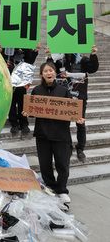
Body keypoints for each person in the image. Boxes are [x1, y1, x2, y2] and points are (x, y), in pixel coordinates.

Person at [24, 62, 85, 205]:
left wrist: (78, 118)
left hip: (61, 135)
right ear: (42, 74)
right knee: (45, 165)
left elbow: (71, 110)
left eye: (51, 70)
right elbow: (34, 111)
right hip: (43, 135)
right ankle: (51, 188)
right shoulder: (36, 91)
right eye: (45, 71)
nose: (48, 73)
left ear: (55, 72)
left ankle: (62, 190)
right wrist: (27, 113)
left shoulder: (64, 90)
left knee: (62, 164)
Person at [46, 45, 99, 162]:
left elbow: (93, 68)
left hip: (80, 97)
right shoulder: (59, 60)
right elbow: (50, 69)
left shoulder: (83, 60)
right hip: (63, 97)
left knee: (80, 123)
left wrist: (93, 54)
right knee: (63, 123)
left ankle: (80, 148)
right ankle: (67, 146)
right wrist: (50, 56)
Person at [8, 46, 40, 136]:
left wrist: (35, 51)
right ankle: (14, 124)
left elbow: (30, 61)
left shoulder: (25, 50)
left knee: (22, 104)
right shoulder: (8, 50)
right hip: (9, 83)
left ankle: (24, 124)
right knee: (12, 105)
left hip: (21, 84)